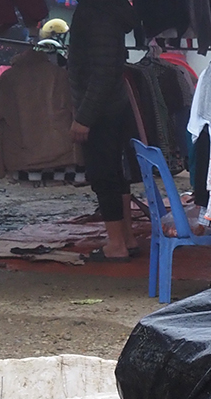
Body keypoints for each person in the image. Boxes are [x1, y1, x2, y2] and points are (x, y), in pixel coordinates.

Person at [68, 0, 137, 261]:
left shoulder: (97, 12)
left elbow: (103, 70)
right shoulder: (110, 10)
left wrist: (85, 116)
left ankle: (116, 244)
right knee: (115, 173)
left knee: (103, 175)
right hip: (111, 106)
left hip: (101, 110)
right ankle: (126, 238)